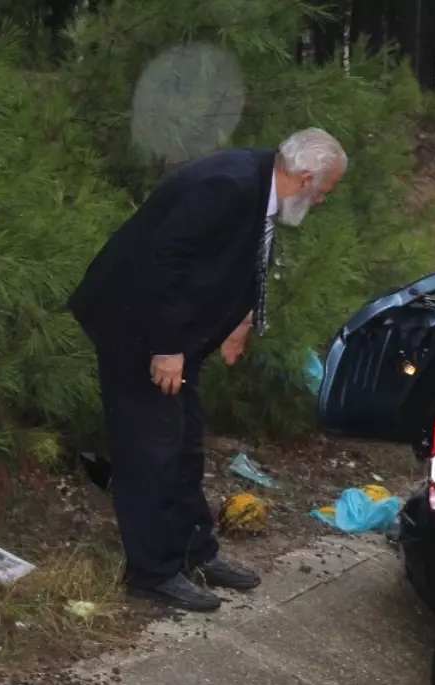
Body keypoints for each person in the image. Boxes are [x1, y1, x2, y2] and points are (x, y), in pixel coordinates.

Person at [67, 128, 349, 612]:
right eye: (323, 191)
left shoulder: (260, 184)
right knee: (149, 449)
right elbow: (165, 261)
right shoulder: (229, 185)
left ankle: (194, 552)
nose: (322, 201)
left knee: (185, 442)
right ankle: (152, 572)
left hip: (176, 337)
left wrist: (240, 320)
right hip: (136, 330)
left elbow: (237, 258)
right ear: (304, 178)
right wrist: (166, 346)